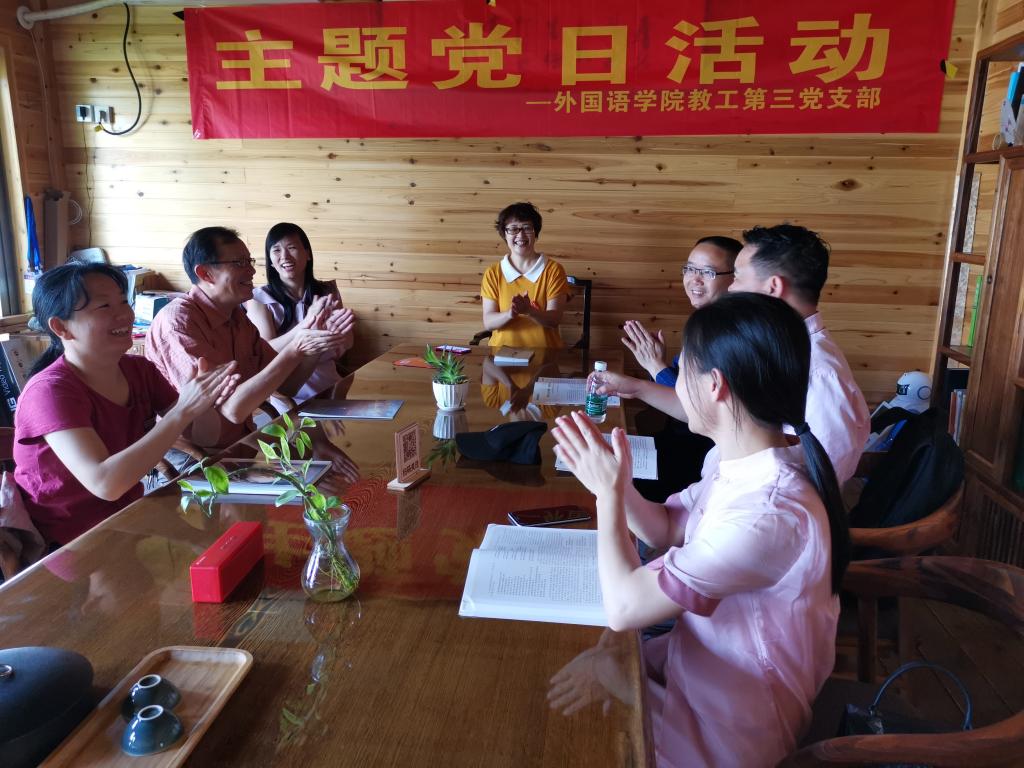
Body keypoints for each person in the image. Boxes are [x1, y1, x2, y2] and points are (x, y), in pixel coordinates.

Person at [552, 292, 849, 768]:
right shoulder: (737, 461)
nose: (675, 382)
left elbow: (626, 607)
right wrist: (617, 482)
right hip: (693, 675)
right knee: (576, 667)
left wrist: (608, 494)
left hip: (732, 729)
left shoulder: (768, 513)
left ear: (715, 386)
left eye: (682, 369)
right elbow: (665, 528)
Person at [594, 223, 870, 484]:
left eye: (737, 277)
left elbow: (816, 484)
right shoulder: (767, 346)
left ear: (773, 287)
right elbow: (706, 413)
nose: (732, 289)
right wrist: (636, 387)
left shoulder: (819, 376)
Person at [13, 262, 240, 546]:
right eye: (104, 306)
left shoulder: (138, 370)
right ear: (61, 327)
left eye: (123, 301)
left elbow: (206, 436)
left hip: (128, 521)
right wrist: (183, 410)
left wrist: (202, 401)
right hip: (67, 545)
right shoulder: (49, 391)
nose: (124, 314)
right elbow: (105, 484)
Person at [146, 226, 346, 451]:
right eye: (239, 263)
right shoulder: (178, 322)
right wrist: (295, 348)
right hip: (192, 456)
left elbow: (286, 386)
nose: (251, 271)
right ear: (205, 274)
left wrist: (315, 346)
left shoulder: (235, 316)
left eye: (249, 261)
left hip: (241, 441)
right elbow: (233, 409)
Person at [623, 236, 741, 500]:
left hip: (700, 454)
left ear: (735, 279)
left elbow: (697, 407)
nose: (694, 279)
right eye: (689, 269)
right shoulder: (704, 320)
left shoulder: (730, 334)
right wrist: (659, 365)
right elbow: (684, 384)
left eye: (707, 272)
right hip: (678, 438)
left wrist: (656, 369)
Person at [246, 222, 355, 404]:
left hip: (332, 387)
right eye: (276, 250)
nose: (285, 256)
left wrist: (335, 335)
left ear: (308, 254)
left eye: (292, 247)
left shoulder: (327, 291)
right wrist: (307, 328)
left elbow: (348, 343)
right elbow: (266, 352)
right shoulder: (258, 298)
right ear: (270, 260)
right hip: (289, 395)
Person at [481, 202, 571, 349]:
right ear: (504, 234)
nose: (521, 235)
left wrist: (529, 311)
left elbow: (554, 319)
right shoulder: (492, 273)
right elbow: (489, 322)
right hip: (501, 355)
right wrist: (510, 314)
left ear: (536, 233)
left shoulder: (554, 270)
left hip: (545, 355)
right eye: (513, 229)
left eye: (527, 228)